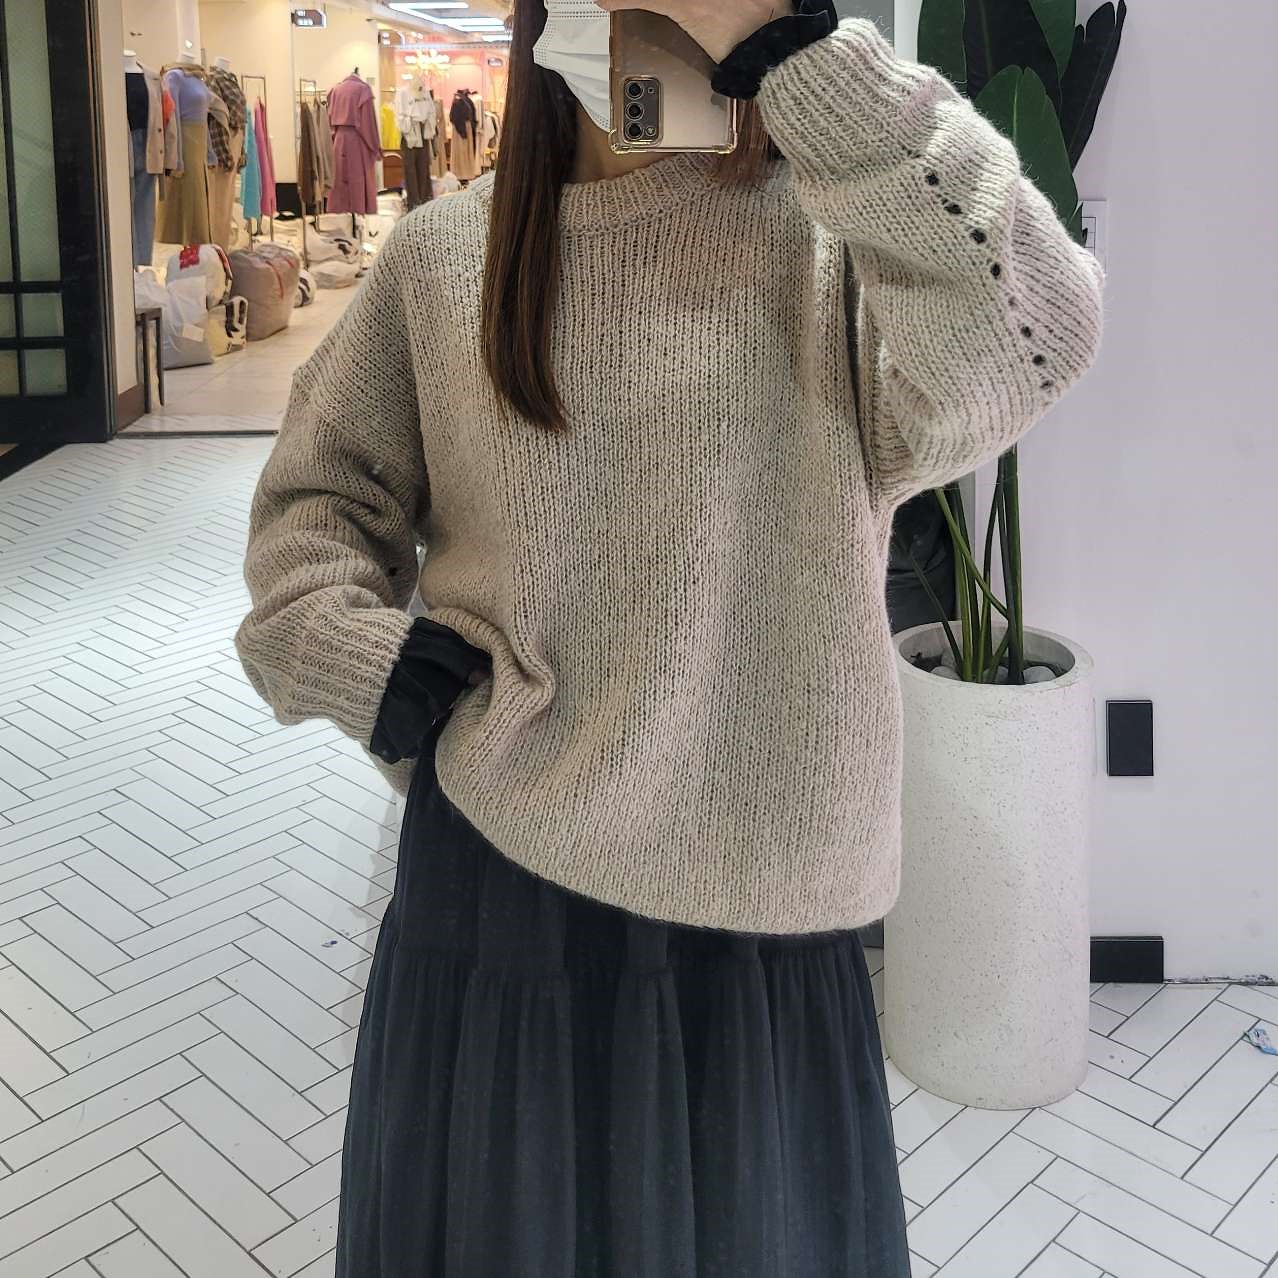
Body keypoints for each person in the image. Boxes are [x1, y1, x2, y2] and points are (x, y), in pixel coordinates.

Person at [234, 0, 1106, 1272]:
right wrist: (369, 665)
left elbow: (1038, 328)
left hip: (763, 914)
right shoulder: (446, 258)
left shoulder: (836, 252)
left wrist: (796, 51)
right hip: (501, 884)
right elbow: (312, 509)